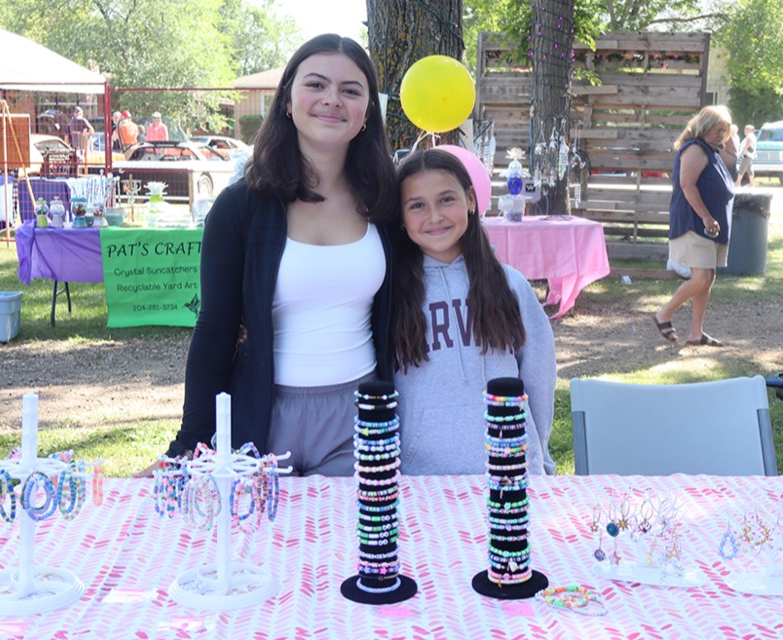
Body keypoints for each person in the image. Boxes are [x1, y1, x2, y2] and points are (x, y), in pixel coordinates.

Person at [134, 34, 397, 477]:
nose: (332, 99)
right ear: (288, 102)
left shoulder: (388, 204)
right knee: (259, 547)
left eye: (350, 90)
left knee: (348, 546)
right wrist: (186, 446)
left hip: (361, 422)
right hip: (262, 419)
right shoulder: (239, 208)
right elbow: (215, 331)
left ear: (367, 112)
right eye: (315, 85)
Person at [391, 148, 557, 475]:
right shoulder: (390, 295)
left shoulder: (511, 285)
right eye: (417, 205)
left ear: (470, 200)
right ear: (400, 215)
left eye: (446, 200)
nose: (435, 216)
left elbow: (539, 379)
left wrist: (538, 455)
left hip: (510, 472)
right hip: (422, 480)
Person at [654, 105, 735, 348]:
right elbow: (688, 186)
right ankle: (664, 313)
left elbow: (733, 158)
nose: (721, 135)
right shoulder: (695, 149)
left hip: (708, 226)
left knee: (708, 277)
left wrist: (731, 131)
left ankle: (696, 333)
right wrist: (707, 218)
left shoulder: (711, 150)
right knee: (700, 277)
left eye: (724, 131)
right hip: (694, 222)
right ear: (704, 126)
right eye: (718, 129)